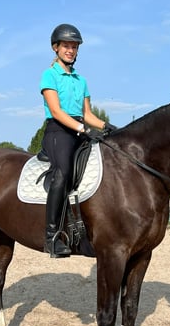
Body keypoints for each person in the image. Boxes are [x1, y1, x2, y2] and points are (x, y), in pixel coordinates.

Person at [39, 23, 116, 257]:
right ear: (56, 48)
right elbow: (57, 111)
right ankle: (51, 237)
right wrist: (83, 129)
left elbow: (88, 114)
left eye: (74, 47)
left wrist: (107, 127)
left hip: (78, 129)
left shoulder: (81, 80)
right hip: (58, 131)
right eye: (66, 46)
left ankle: (82, 234)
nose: (70, 50)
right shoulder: (49, 75)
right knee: (63, 173)